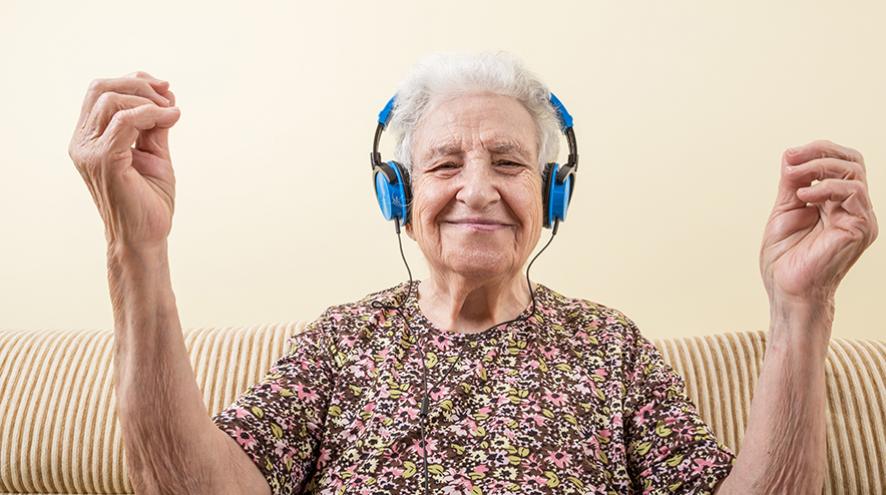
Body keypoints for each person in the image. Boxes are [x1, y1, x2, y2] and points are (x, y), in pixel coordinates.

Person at [67, 52, 878, 494]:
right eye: (445, 162)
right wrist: (134, 249)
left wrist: (800, 307)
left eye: (510, 161)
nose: (478, 187)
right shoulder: (341, 342)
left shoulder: (609, 346)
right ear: (401, 193)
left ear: (551, 193)